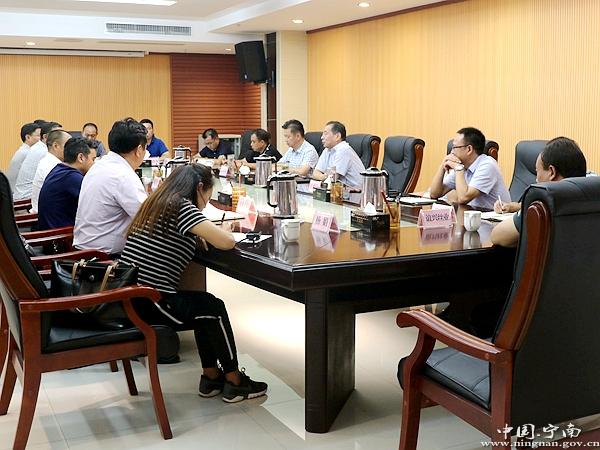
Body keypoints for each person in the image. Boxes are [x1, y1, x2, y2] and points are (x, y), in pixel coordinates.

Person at [120, 164, 268, 403]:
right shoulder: (181, 207)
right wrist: (224, 230)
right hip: (153, 303)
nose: (206, 204)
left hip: (133, 299)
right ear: (199, 188)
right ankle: (235, 381)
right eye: (208, 196)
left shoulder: (157, 203)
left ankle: (211, 377)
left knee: (204, 306)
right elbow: (227, 242)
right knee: (213, 309)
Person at [491, 137, 587, 248]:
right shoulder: (592, 193)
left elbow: (497, 236)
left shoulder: (545, 200)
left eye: (537, 172)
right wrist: (515, 207)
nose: (536, 179)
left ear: (552, 172)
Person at [73, 119, 148, 256]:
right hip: (104, 259)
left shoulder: (100, 165)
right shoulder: (123, 175)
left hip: (84, 251)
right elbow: (148, 218)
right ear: (139, 150)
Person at [429, 127, 510, 210]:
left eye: (455, 147)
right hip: (472, 215)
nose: (451, 152)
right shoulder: (461, 165)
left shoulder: (487, 165)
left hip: (493, 216)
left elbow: (463, 198)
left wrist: (458, 169)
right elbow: (434, 194)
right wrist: (442, 166)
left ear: (469, 149)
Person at [38, 138, 97, 230]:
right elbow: (96, 205)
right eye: (93, 159)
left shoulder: (58, 170)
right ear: (81, 158)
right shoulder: (72, 178)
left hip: (51, 231)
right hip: (61, 235)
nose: (95, 164)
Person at [13, 121, 62, 200]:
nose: (61, 137)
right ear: (45, 137)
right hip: (26, 198)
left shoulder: (37, 147)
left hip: (22, 195)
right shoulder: (43, 151)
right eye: (57, 134)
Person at [313, 121, 365, 191]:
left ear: (337, 136)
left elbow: (333, 178)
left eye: (325, 134)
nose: (322, 137)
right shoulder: (327, 150)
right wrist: (326, 176)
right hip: (339, 190)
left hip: (355, 192)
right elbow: (315, 173)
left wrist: (326, 177)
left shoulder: (344, 149)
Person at [30, 129, 71, 213]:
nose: (72, 149)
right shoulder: (51, 165)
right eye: (68, 146)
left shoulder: (49, 160)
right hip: (44, 215)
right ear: (55, 146)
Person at [7, 123, 41, 190]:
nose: (40, 139)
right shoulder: (27, 153)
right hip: (17, 192)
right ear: (28, 137)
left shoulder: (24, 150)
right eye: (38, 135)